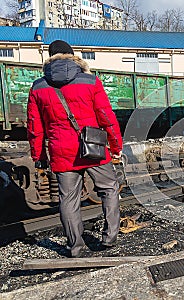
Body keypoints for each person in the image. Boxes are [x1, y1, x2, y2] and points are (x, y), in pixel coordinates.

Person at [27, 40, 123, 258]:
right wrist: (116, 144)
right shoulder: (90, 81)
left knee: (68, 199)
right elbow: (106, 117)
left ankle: (76, 247)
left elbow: (34, 126)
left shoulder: (38, 87)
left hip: (61, 151)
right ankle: (109, 237)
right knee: (109, 188)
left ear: (50, 58)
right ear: (72, 56)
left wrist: (39, 156)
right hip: (93, 147)